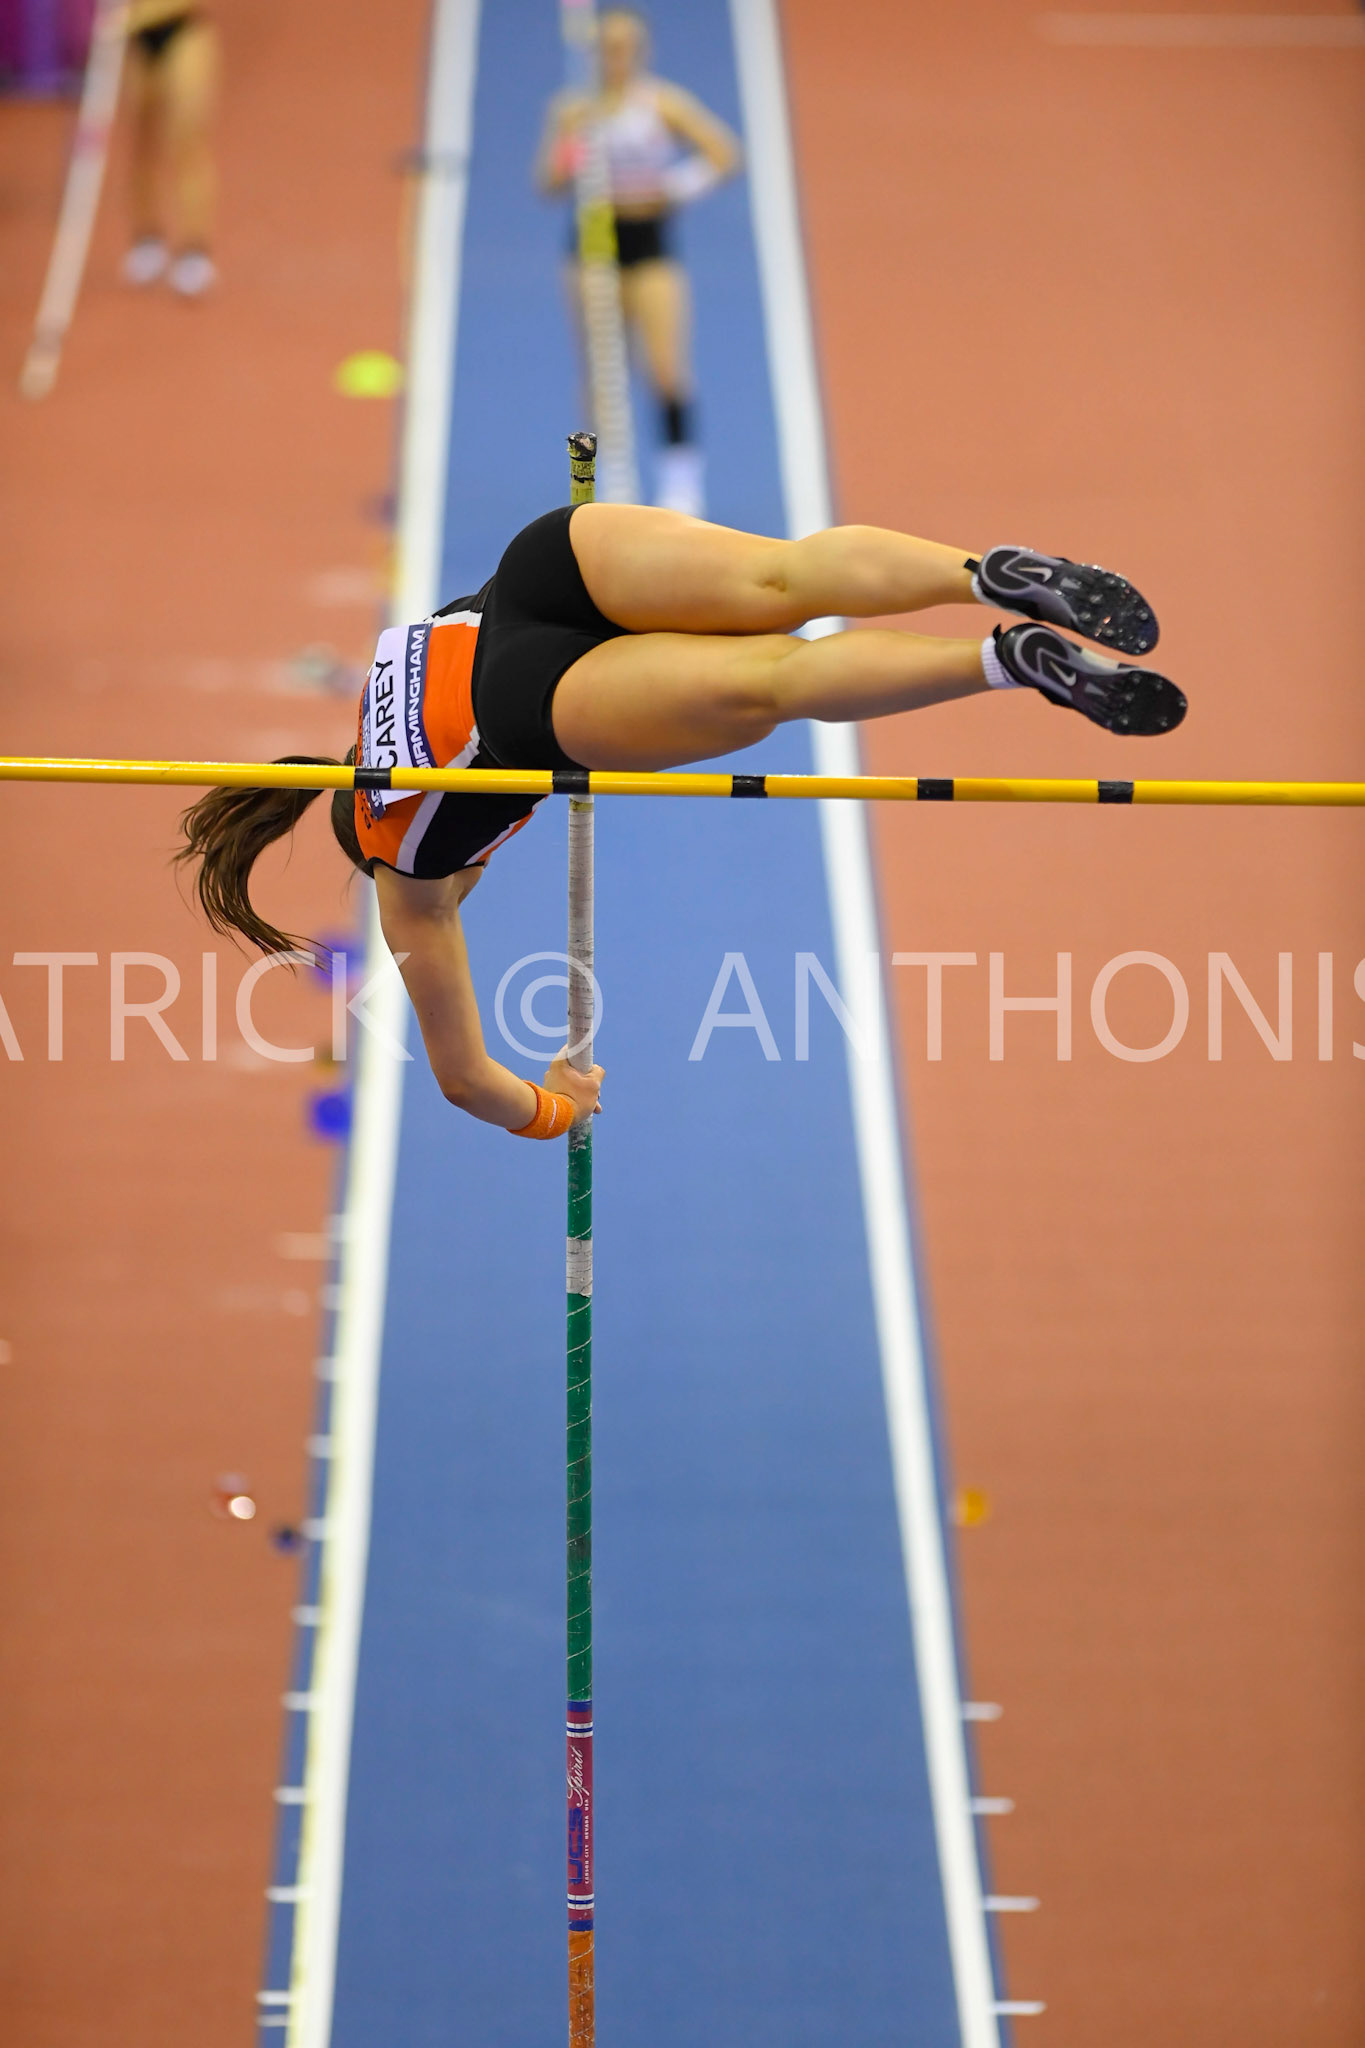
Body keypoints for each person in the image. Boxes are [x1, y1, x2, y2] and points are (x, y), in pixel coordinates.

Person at [177, 508, 1182, 1139]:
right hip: (542, 566)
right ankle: (980, 570)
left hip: (528, 703)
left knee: (774, 680)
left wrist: (558, 1104)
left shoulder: (415, 884)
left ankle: (1003, 657)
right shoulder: (368, 709)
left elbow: (467, 1083)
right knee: (785, 580)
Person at [536, 8, 740, 516]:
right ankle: (603, 484)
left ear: (641, 52)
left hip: (649, 245)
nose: (616, 57)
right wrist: (573, 153)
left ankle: (681, 485)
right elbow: (548, 184)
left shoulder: (663, 103)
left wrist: (671, 190)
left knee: (667, 369)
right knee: (601, 372)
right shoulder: (573, 110)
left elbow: (724, 153)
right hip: (592, 246)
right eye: (607, 47)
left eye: (626, 47)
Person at [120, 1, 219, 297]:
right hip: (139, 43)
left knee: (186, 140)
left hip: (183, 34)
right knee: (142, 143)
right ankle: (147, 239)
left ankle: (194, 250)